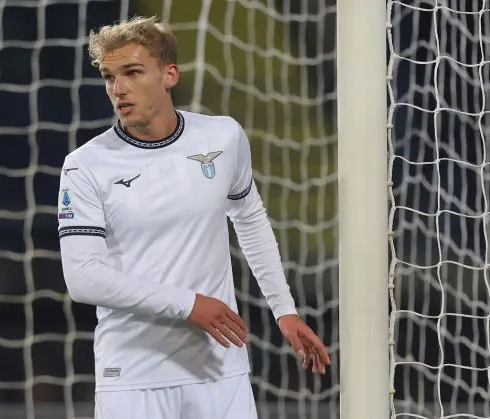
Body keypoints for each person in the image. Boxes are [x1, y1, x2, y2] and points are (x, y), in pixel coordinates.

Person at [57, 15, 331, 419]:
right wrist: (188, 304)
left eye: (132, 72)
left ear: (169, 75)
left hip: (221, 369)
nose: (118, 88)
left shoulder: (223, 137)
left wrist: (284, 309)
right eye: (110, 77)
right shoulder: (85, 166)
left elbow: (250, 219)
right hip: (134, 373)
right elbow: (83, 278)